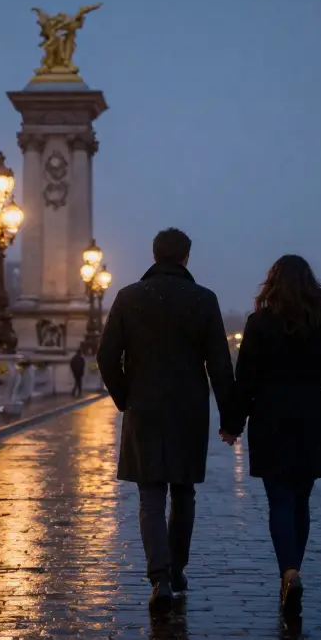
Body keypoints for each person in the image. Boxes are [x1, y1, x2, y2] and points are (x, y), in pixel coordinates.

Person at [97, 227, 236, 610]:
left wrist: (125, 397)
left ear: (154, 255)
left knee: (150, 496)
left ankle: (158, 578)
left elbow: (106, 357)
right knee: (184, 493)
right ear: (187, 258)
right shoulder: (204, 300)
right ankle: (176, 569)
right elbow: (220, 367)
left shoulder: (129, 298)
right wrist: (231, 419)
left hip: (144, 408)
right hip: (189, 409)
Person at [226, 254, 321, 620]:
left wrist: (234, 423)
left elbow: (244, 379)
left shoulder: (259, 323)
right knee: (301, 500)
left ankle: (288, 572)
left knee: (279, 499)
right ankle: (295, 569)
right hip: (311, 418)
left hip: (270, 417)